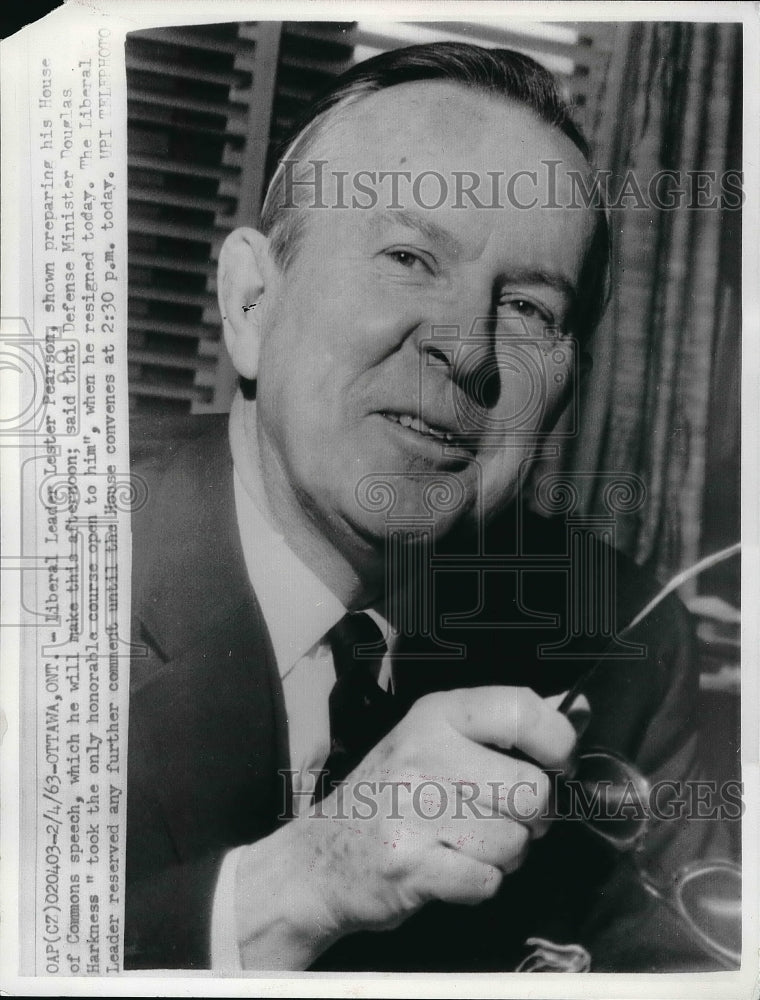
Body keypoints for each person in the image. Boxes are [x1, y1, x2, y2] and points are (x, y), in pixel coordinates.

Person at [124, 43, 722, 972]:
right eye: (408, 256)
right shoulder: (43, 557)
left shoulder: (625, 647)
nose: (468, 351)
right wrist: (288, 891)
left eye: (529, 310)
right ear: (251, 301)